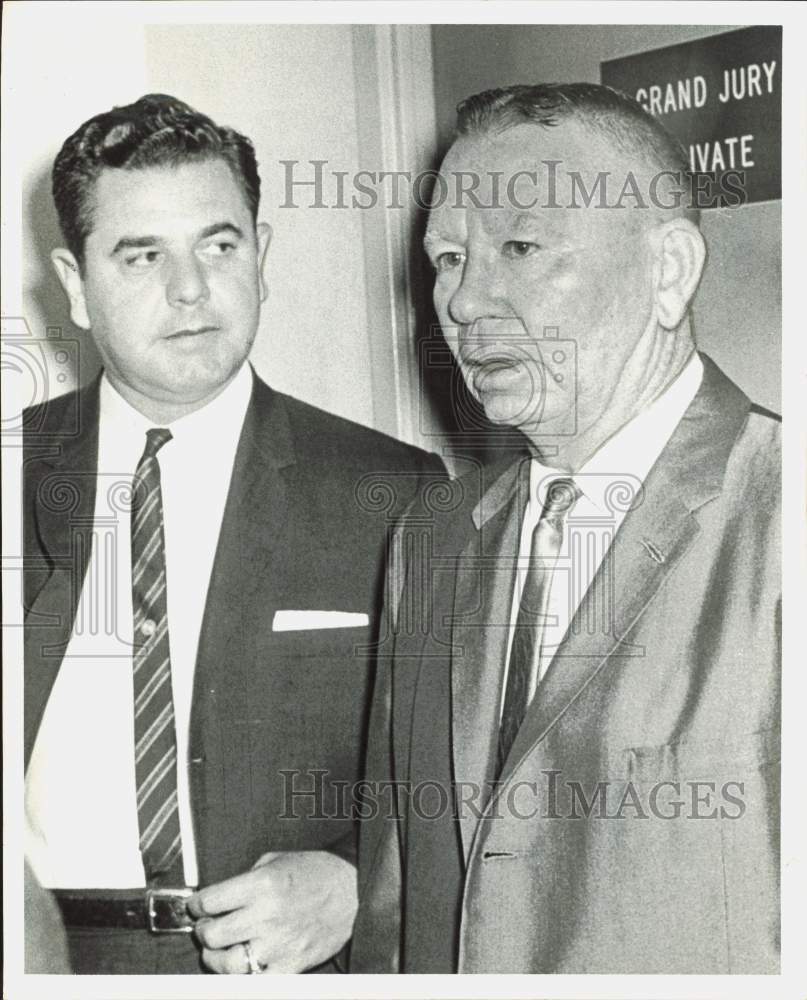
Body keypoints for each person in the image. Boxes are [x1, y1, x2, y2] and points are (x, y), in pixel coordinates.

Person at [351, 83, 780, 974]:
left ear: (668, 270)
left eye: (518, 246)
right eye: (446, 259)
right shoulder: (431, 538)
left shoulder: (778, 512)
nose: (464, 303)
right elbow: (394, 905)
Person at [23, 93, 444, 975]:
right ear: (75, 288)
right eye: (142, 256)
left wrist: (358, 881)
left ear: (262, 256)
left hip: (279, 969)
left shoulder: (389, 490)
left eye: (220, 245)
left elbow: (456, 782)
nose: (190, 289)